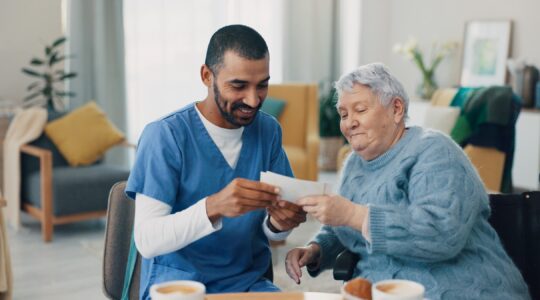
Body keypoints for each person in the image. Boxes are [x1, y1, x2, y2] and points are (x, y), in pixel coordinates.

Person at [285, 63, 531, 299]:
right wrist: (317, 249)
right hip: (380, 290)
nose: (349, 122)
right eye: (343, 114)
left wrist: (352, 214)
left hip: (455, 289)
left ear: (396, 109)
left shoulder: (434, 151)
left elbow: (441, 234)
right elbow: (345, 225)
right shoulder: (354, 164)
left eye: (360, 110)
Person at [126, 24, 306, 299]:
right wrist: (214, 207)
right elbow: (147, 240)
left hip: (247, 283)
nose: (253, 99)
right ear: (207, 75)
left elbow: (273, 234)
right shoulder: (165, 136)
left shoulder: (267, 131)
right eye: (238, 86)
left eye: (263, 85)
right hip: (180, 286)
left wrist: (280, 224)